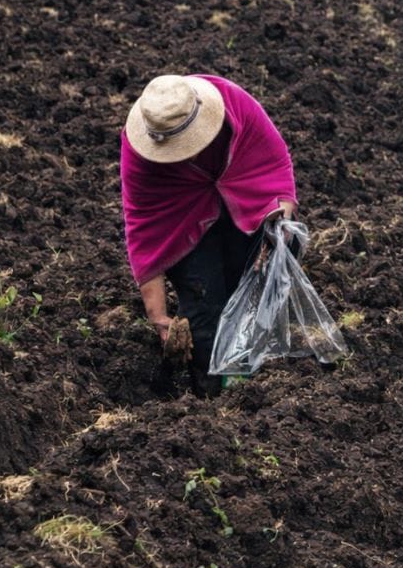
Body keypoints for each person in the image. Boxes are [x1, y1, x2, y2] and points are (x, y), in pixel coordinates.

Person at [120, 74, 296, 397]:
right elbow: (141, 225)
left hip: (247, 210)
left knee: (276, 261)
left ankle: (263, 379)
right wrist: (159, 317)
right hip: (184, 227)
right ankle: (212, 398)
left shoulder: (233, 105)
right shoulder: (139, 155)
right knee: (204, 318)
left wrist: (277, 232)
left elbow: (276, 163)